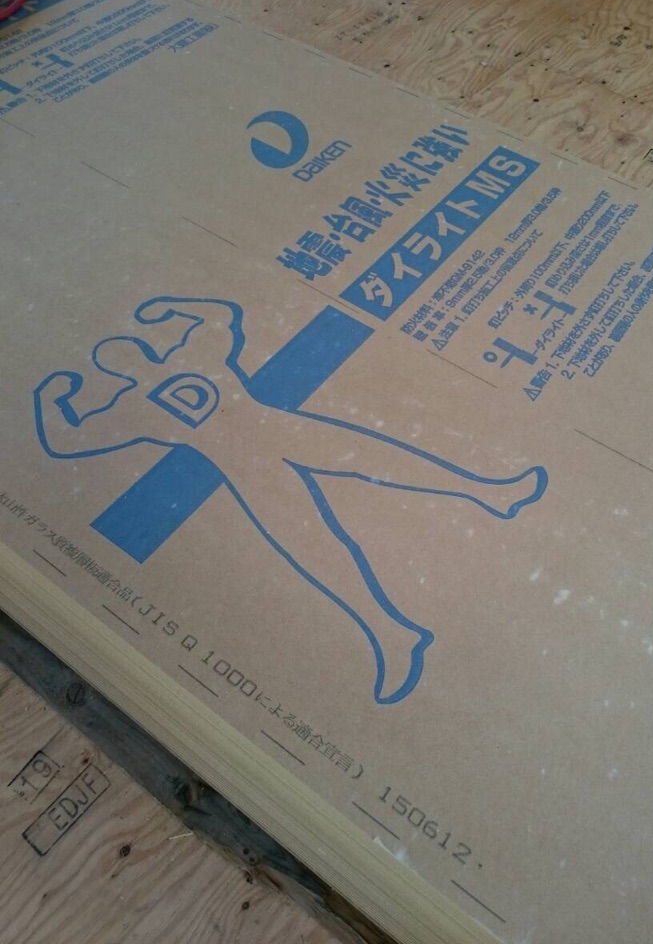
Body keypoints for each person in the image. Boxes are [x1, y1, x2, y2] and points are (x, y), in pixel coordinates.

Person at [34, 296, 547, 704]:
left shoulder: (191, 357)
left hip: (279, 430)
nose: (125, 360)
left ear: (142, 350)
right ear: (119, 374)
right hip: (249, 468)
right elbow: (69, 439)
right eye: (115, 361)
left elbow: (218, 318)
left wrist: (169, 310)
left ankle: (491, 491)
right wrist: (50, 396)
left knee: (379, 459)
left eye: (125, 351)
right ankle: (392, 633)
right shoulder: (135, 408)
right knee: (315, 544)